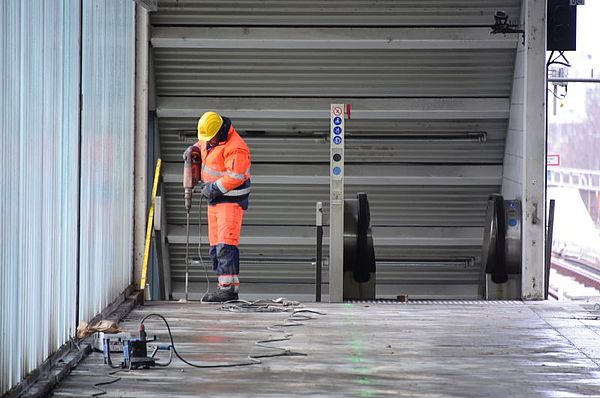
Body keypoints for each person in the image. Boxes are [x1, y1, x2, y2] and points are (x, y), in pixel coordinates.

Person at [184, 111, 251, 302]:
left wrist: (213, 188)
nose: (207, 141)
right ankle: (222, 286)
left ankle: (228, 290)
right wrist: (193, 149)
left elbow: (235, 177)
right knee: (215, 246)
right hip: (215, 202)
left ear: (219, 132)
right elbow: (202, 146)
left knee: (226, 245)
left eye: (209, 138)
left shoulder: (236, 148)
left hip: (230, 202)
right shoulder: (210, 139)